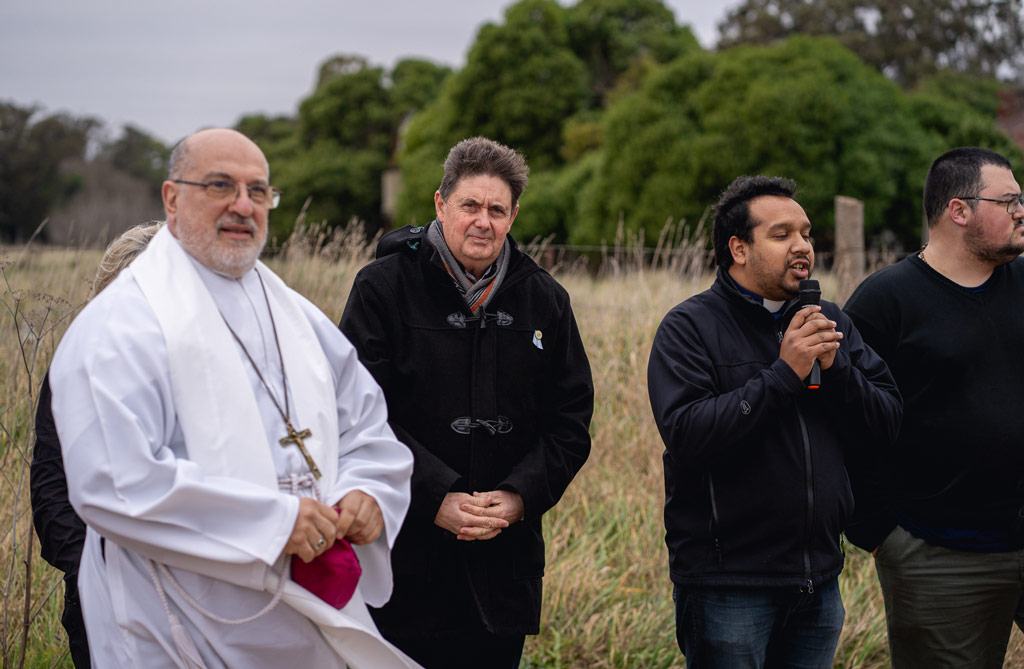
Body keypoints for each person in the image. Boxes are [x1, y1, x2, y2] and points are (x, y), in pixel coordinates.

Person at [48, 128, 416, 668]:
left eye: (258, 191)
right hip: (181, 619)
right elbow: (112, 481)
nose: (243, 205)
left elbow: (364, 425)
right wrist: (273, 523)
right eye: (220, 185)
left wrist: (367, 491)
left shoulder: (297, 315)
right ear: (172, 198)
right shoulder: (120, 325)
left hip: (306, 612)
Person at [339, 136, 593, 668]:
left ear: (513, 216)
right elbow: (358, 414)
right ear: (440, 204)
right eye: (470, 205)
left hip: (503, 563)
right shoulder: (382, 288)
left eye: (497, 210)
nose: (483, 221)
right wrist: (434, 496)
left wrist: (519, 496)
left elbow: (570, 422)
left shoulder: (545, 299)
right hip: (405, 557)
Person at [647, 175, 902, 668]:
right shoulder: (689, 327)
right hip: (729, 585)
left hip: (818, 581)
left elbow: (887, 422)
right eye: (782, 234)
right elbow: (688, 435)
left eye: (806, 233)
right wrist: (785, 374)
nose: (802, 246)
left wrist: (836, 368)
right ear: (738, 249)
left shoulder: (831, 322)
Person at [844, 146, 1024, 668]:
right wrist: (881, 533)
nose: (1020, 211)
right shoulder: (886, 301)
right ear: (958, 210)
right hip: (939, 553)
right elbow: (846, 420)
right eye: (1008, 201)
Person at [31, 220, 163, 668]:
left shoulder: (213, 370)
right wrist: (92, 570)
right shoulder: (76, 369)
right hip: (103, 601)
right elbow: (50, 488)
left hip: (201, 599)